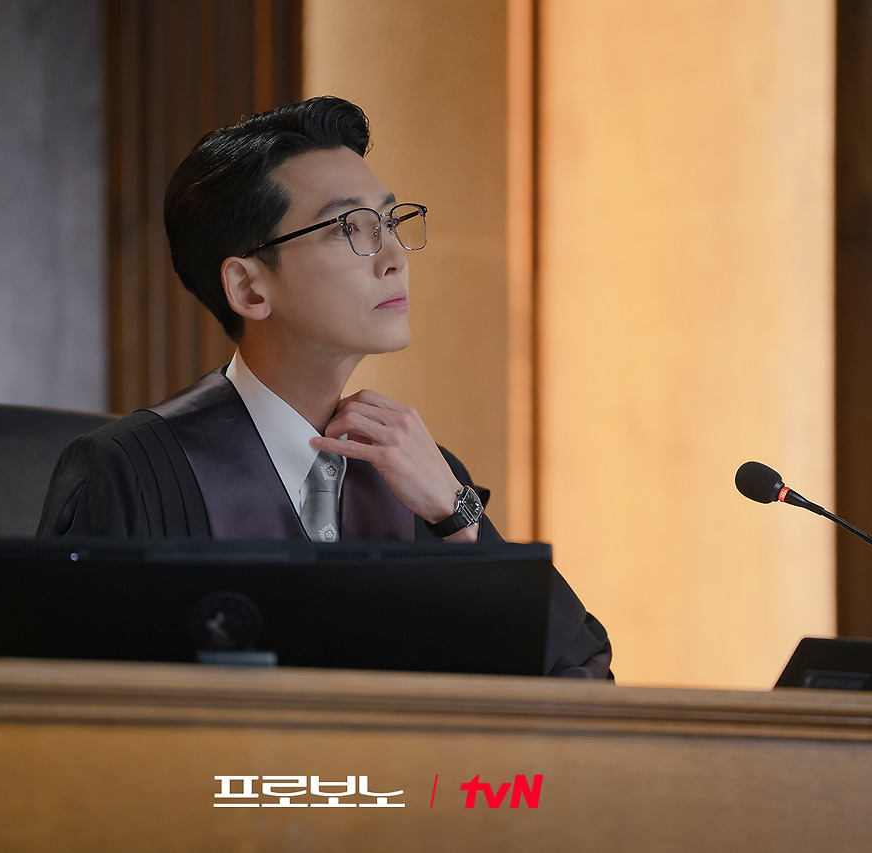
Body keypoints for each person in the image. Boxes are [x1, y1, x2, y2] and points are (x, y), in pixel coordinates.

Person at [37, 96, 611, 678]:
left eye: (391, 222)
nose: (394, 257)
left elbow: (580, 675)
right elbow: (71, 711)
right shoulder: (131, 475)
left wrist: (454, 510)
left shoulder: (419, 477)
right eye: (349, 228)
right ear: (249, 289)